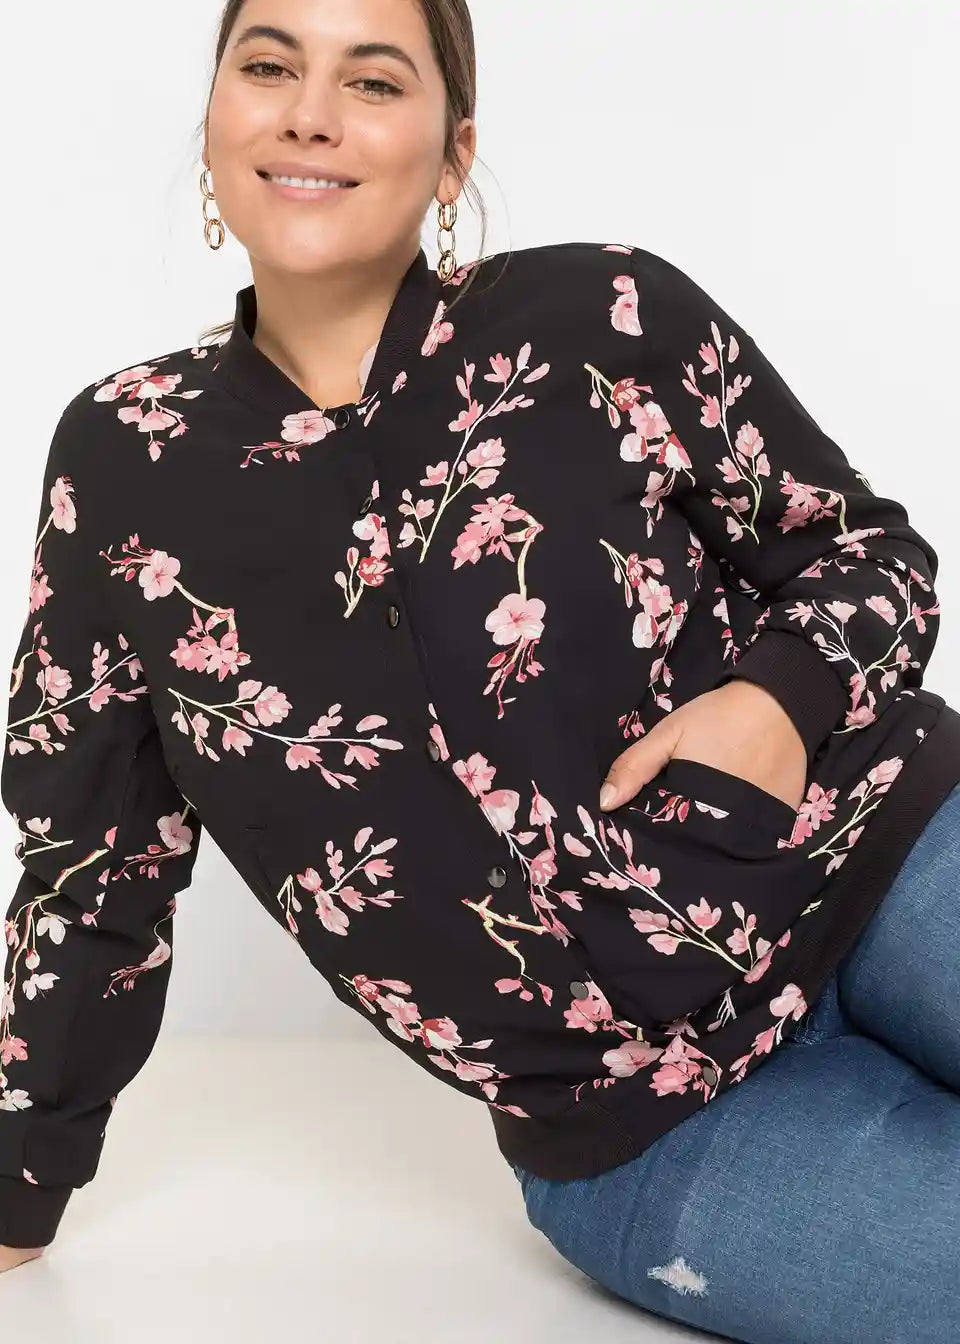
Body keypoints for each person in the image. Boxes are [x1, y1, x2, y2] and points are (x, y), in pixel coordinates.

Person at [1, 1, 957, 1336]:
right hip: (639, 1132)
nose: (309, 115)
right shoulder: (122, 463)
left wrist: (777, 700)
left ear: (453, 153)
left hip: (896, 860)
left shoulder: (600, 314)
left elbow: (863, 553)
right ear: (214, 118)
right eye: (268, 65)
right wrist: (20, 1185)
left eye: (372, 81)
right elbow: (95, 858)